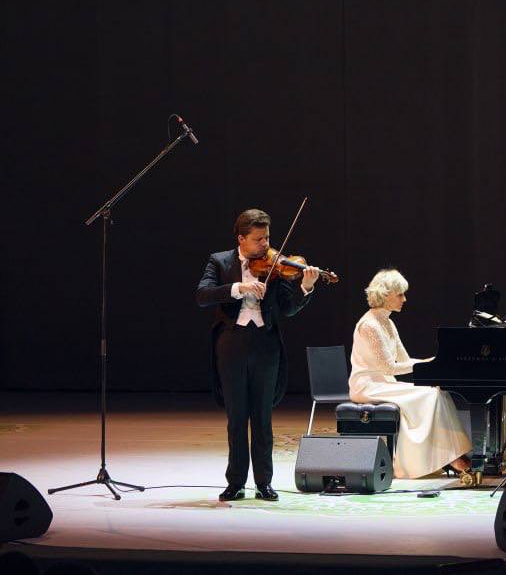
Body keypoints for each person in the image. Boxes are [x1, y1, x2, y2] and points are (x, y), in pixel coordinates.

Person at [196, 208, 319, 501]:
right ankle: (236, 482)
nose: (265, 245)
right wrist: (238, 288)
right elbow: (202, 295)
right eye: (258, 239)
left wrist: (305, 287)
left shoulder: (276, 264)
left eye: (267, 238)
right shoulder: (220, 261)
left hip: (265, 345)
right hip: (232, 343)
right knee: (236, 418)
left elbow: (287, 308)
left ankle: (264, 482)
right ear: (241, 238)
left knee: (262, 418)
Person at [348, 268, 474, 481]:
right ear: (385, 294)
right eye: (400, 294)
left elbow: (404, 359)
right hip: (367, 386)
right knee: (428, 395)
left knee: (437, 390)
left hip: (384, 383)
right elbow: (389, 367)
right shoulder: (369, 325)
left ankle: (448, 455)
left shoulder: (387, 322)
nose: (404, 299)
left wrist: (432, 363)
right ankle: (427, 461)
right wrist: (427, 363)